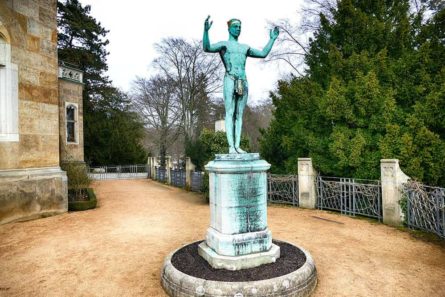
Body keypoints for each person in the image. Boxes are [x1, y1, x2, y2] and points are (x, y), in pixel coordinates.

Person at [203, 16, 279, 154]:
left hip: (242, 80)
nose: (238, 29)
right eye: (235, 26)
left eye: (240, 27)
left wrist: (272, 39)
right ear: (229, 28)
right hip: (230, 78)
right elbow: (207, 47)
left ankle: (237, 146)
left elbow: (263, 54)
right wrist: (206, 31)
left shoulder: (245, 47)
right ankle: (231, 147)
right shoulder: (224, 45)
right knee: (230, 112)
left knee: (239, 114)